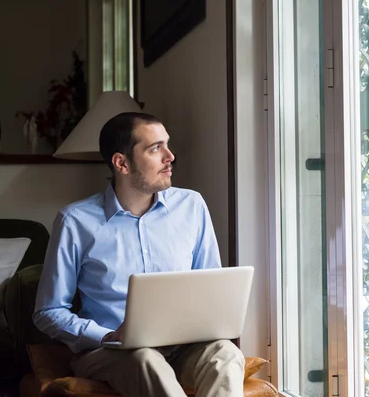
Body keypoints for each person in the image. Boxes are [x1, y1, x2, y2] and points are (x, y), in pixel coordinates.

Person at [33, 112, 244, 397]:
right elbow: (48, 312)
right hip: (111, 353)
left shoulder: (191, 206)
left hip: (184, 347)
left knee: (226, 354)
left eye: (166, 145)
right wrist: (106, 335)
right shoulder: (75, 221)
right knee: (145, 359)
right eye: (155, 148)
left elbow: (210, 290)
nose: (170, 156)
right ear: (121, 163)